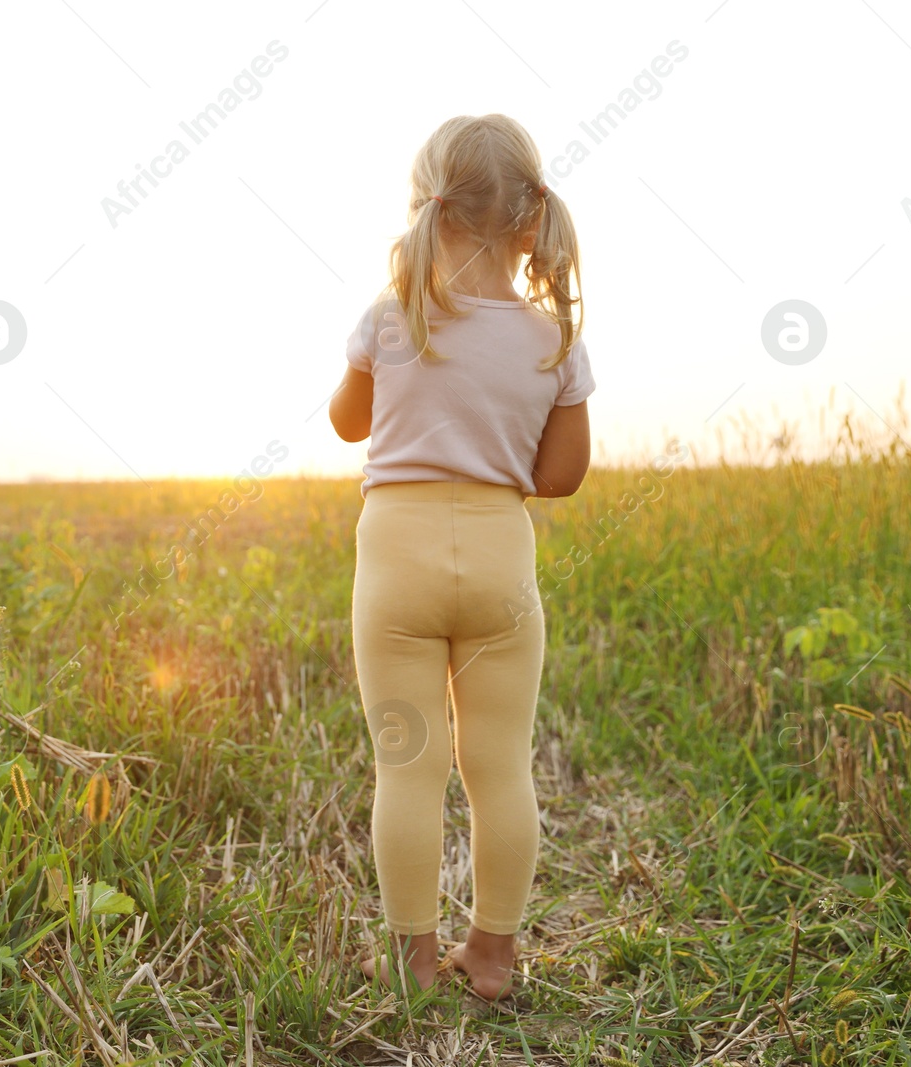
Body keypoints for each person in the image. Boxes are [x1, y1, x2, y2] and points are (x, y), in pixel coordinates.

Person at [328, 113, 594, 1000]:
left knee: (407, 763)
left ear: (428, 214)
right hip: (498, 565)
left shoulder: (391, 319)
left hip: (395, 559)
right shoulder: (554, 341)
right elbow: (560, 477)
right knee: (499, 764)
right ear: (531, 223)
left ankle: (410, 957)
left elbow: (348, 423)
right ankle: (492, 955)